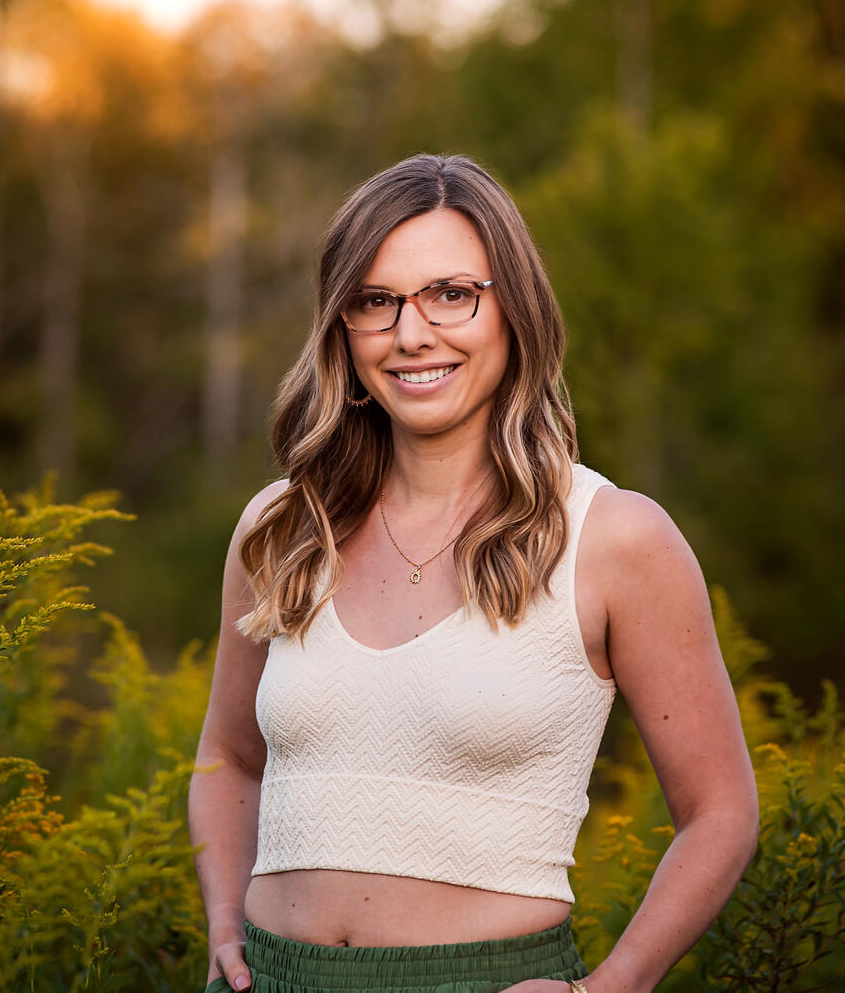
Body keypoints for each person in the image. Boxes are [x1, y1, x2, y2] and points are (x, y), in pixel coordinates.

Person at [189, 152, 759, 993]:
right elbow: (228, 760)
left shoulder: (613, 538)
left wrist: (616, 984)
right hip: (269, 977)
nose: (412, 333)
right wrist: (226, 929)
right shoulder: (283, 527)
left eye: (451, 293)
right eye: (375, 301)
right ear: (341, 325)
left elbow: (721, 812)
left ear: (514, 309)